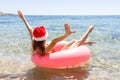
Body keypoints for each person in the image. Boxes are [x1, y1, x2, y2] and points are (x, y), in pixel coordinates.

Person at [17, 10, 96, 56]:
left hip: (57, 53)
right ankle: (89, 31)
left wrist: (23, 18)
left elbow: (30, 30)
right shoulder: (45, 49)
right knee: (78, 42)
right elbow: (54, 41)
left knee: (73, 41)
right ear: (44, 38)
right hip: (62, 55)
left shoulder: (35, 43)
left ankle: (87, 42)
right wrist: (66, 34)